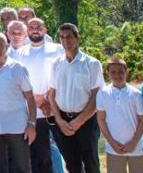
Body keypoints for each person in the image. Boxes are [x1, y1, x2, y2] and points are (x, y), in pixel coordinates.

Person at [47, 24, 102, 173]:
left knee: (91, 163)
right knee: (72, 165)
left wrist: (79, 121)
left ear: (77, 38)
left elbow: (96, 97)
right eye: (62, 37)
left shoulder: (92, 64)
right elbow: (51, 94)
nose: (65, 40)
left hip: (86, 120)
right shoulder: (56, 64)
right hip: (63, 121)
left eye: (69, 36)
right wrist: (59, 120)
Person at [13, 17, 65, 173]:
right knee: (40, 158)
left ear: (45, 30)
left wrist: (48, 98)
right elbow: (17, 81)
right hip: (34, 113)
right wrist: (38, 100)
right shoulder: (19, 53)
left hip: (57, 109)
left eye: (38, 27)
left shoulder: (58, 49)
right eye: (31, 27)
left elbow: (62, 76)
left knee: (67, 153)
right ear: (27, 31)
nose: (35, 30)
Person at [0, 32, 36, 173]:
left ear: (6, 46)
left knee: (21, 167)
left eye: (0, 45)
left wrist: (31, 124)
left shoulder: (17, 68)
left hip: (17, 127)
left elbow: (30, 98)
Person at [95, 57, 143, 173]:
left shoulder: (136, 94)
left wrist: (133, 143)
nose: (117, 75)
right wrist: (112, 143)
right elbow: (101, 120)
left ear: (126, 72)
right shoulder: (102, 93)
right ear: (108, 73)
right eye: (113, 72)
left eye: (121, 72)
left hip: (136, 147)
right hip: (114, 148)